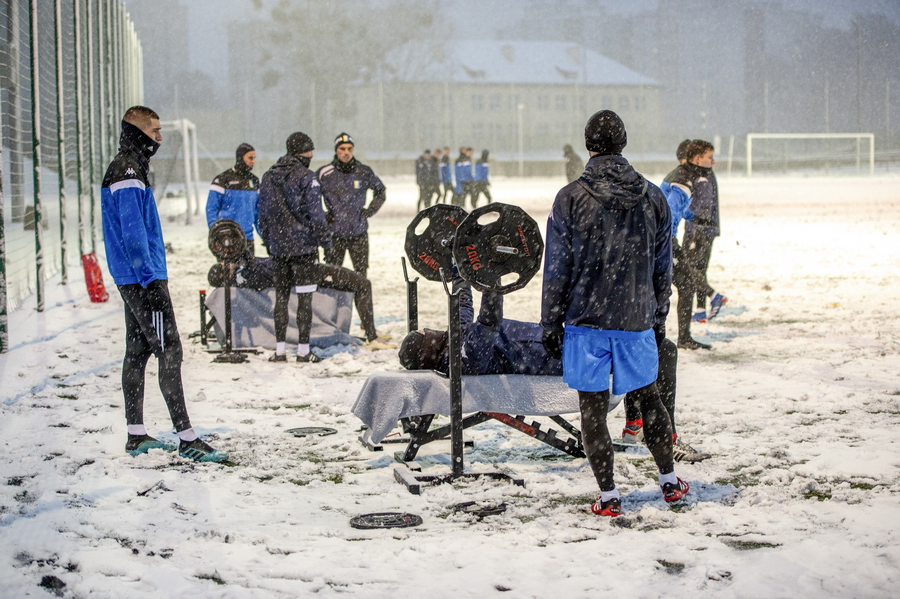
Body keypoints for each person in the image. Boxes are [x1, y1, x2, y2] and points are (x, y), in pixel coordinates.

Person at [541, 109, 688, 517]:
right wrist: (658, 318)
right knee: (650, 399)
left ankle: (608, 496)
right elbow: (664, 267)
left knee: (593, 410)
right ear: (623, 144)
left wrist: (550, 322)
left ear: (589, 146)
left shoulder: (569, 198)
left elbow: (556, 267)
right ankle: (669, 481)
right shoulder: (653, 196)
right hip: (635, 319)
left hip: (586, 321)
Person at [397, 275, 708, 462]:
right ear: (428, 350)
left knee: (642, 341)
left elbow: (462, 305)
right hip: (568, 357)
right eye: (424, 333)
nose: (428, 328)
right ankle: (666, 437)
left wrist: (460, 267)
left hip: (566, 341)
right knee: (659, 349)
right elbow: (488, 317)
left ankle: (635, 425)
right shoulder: (464, 356)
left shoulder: (457, 340)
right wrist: (492, 277)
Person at [101, 106, 226, 462]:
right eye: (154, 130)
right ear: (137, 131)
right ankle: (187, 439)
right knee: (170, 350)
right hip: (143, 280)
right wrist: (150, 280)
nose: (159, 136)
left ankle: (136, 435)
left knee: (138, 351)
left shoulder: (131, 165)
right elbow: (133, 233)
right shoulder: (128, 168)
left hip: (133, 277)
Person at [259, 131, 331, 363]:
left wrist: (269, 241)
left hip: (278, 249)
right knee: (304, 300)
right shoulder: (308, 177)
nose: (312, 155)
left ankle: (279, 351)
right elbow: (317, 215)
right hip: (304, 248)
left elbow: (262, 214)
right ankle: (303, 350)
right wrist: (325, 242)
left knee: (280, 298)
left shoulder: (268, 176)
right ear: (304, 152)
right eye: (310, 151)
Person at [661, 141, 725, 350]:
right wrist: (668, 240)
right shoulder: (684, 180)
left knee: (682, 284)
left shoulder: (684, 175)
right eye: (709, 157)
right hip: (664, 240)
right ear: (697, 158)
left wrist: (697, 219)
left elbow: (680, 207)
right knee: (685, 284)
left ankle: (680, 337)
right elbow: (669, 209)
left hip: (662, 240)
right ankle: (681, 338)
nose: (712, 161)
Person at [317, 133, 386, 279]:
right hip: (334, 235)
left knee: (361, 277)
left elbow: (381, 191)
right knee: (331, 276)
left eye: (349, 148)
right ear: (336, 150)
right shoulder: (325, 173)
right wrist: (323, 215)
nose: (346, 152)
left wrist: (370, 211)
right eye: (342, 148)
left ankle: (362, 302)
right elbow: (310, 198)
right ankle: (334, 302)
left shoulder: (364, 171)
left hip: (358, 234)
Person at [682, 139, 726, 323]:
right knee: (699, 268)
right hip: (708, 229)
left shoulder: (702, 177)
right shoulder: (706, 175)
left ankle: (713, 295)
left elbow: (703, 205)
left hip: (699, 230)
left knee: (686, 269)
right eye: (711, 157)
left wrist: (695, 226)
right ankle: (700, 310)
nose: (713, 161)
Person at [205, 143, 260, 260]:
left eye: (254, 158)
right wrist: (216, 232)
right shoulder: (222, 180)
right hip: (227, 238)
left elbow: (258, 213)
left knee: (248, 276)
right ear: (241, 158)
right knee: (228, 275)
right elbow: (211, 209)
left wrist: (266, 237)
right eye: (250, 158)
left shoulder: (254, 181)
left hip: (248, 239)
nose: (253, 161)